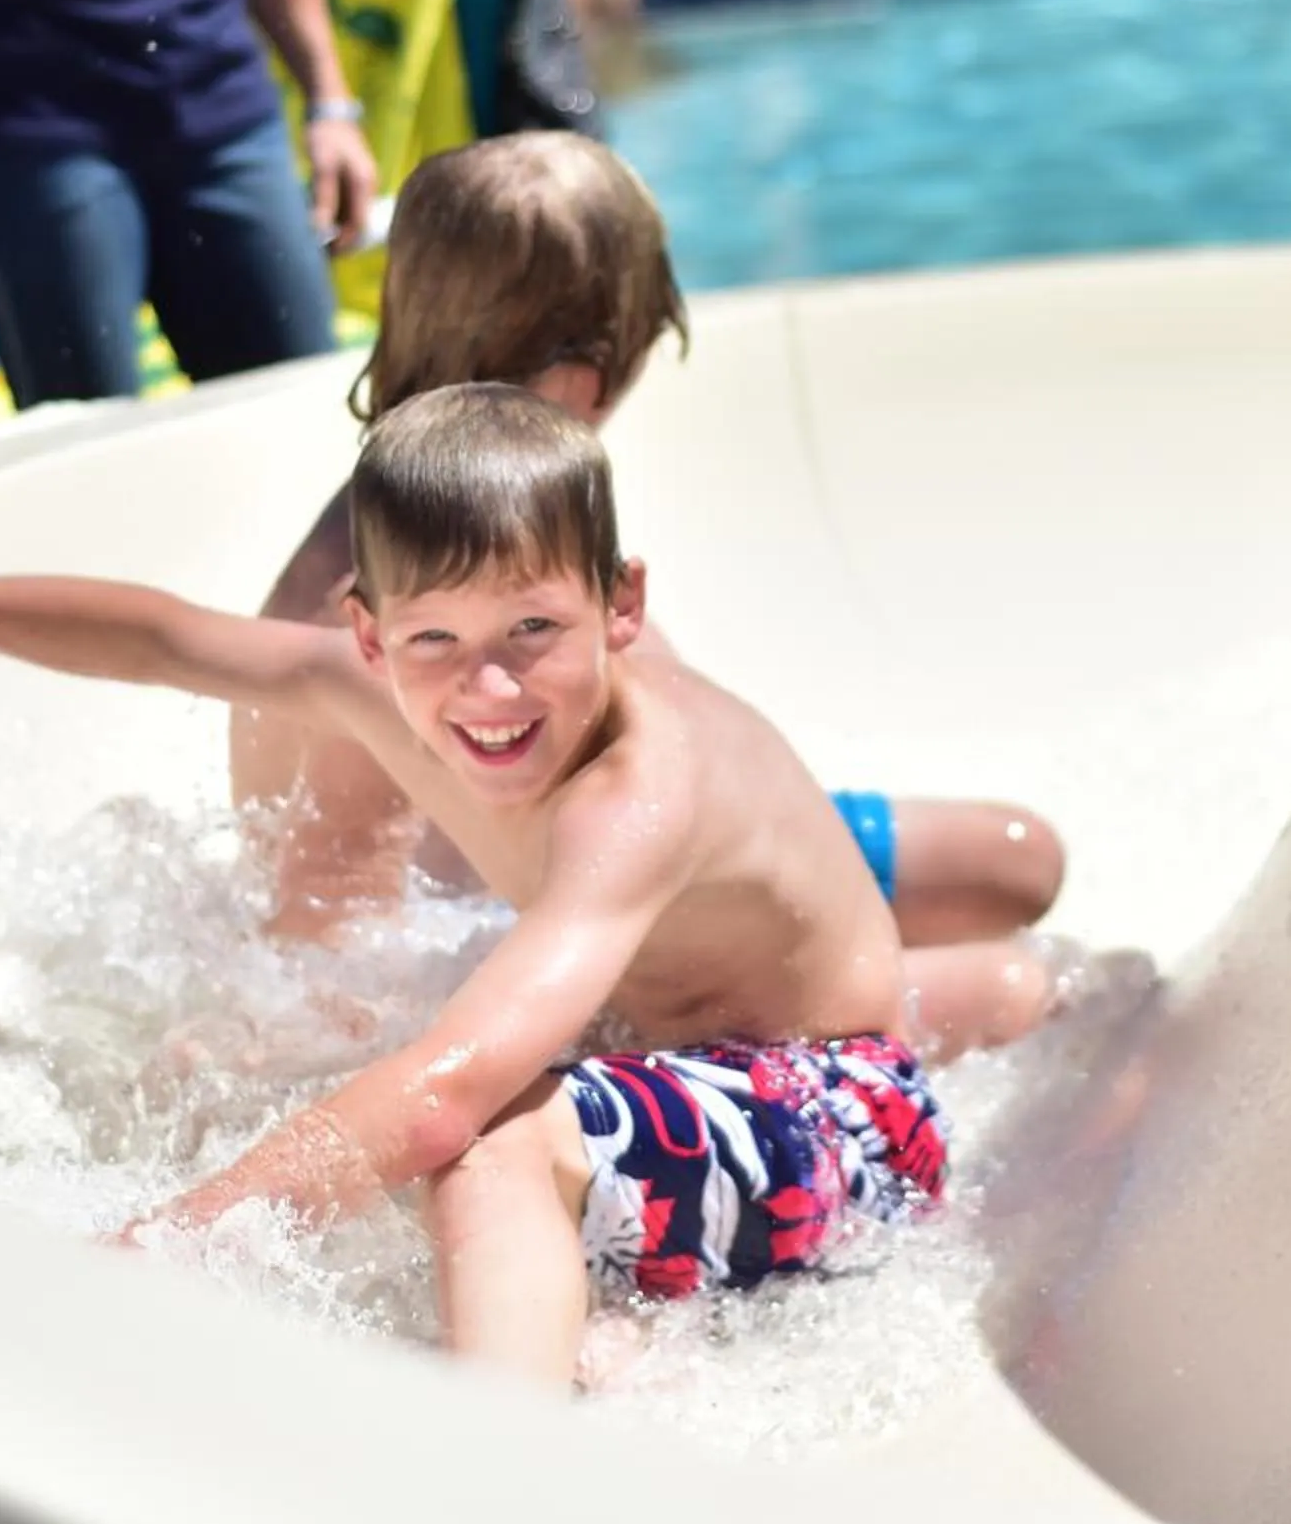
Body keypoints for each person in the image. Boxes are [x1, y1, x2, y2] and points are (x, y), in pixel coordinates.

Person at [0, 385, 954, 1390]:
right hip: (692, 1045)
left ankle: (512, 1501)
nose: (487, 694)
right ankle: (605, 1341)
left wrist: (161, 1247)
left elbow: (443, 1097)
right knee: (284, 1059)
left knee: (489, 1147)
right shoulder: (374, 691)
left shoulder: (633, 799)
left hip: (855, 1118)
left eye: (532, 635)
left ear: (621, 605)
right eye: (435, 644)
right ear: (370, 637)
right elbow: (160, 638)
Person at [233, 132, 1067, 1057]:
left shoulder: (456, 520)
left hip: (679, 867)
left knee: (1013, 861)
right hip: (596, 937)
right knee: (1018, 984)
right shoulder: (405, 602)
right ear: (584, 381)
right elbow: (339, 923)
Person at [0, 0, 380, 408]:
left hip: (223, 102)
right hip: (33, 129)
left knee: (299, 410)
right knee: (84, 443)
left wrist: (329, 101)